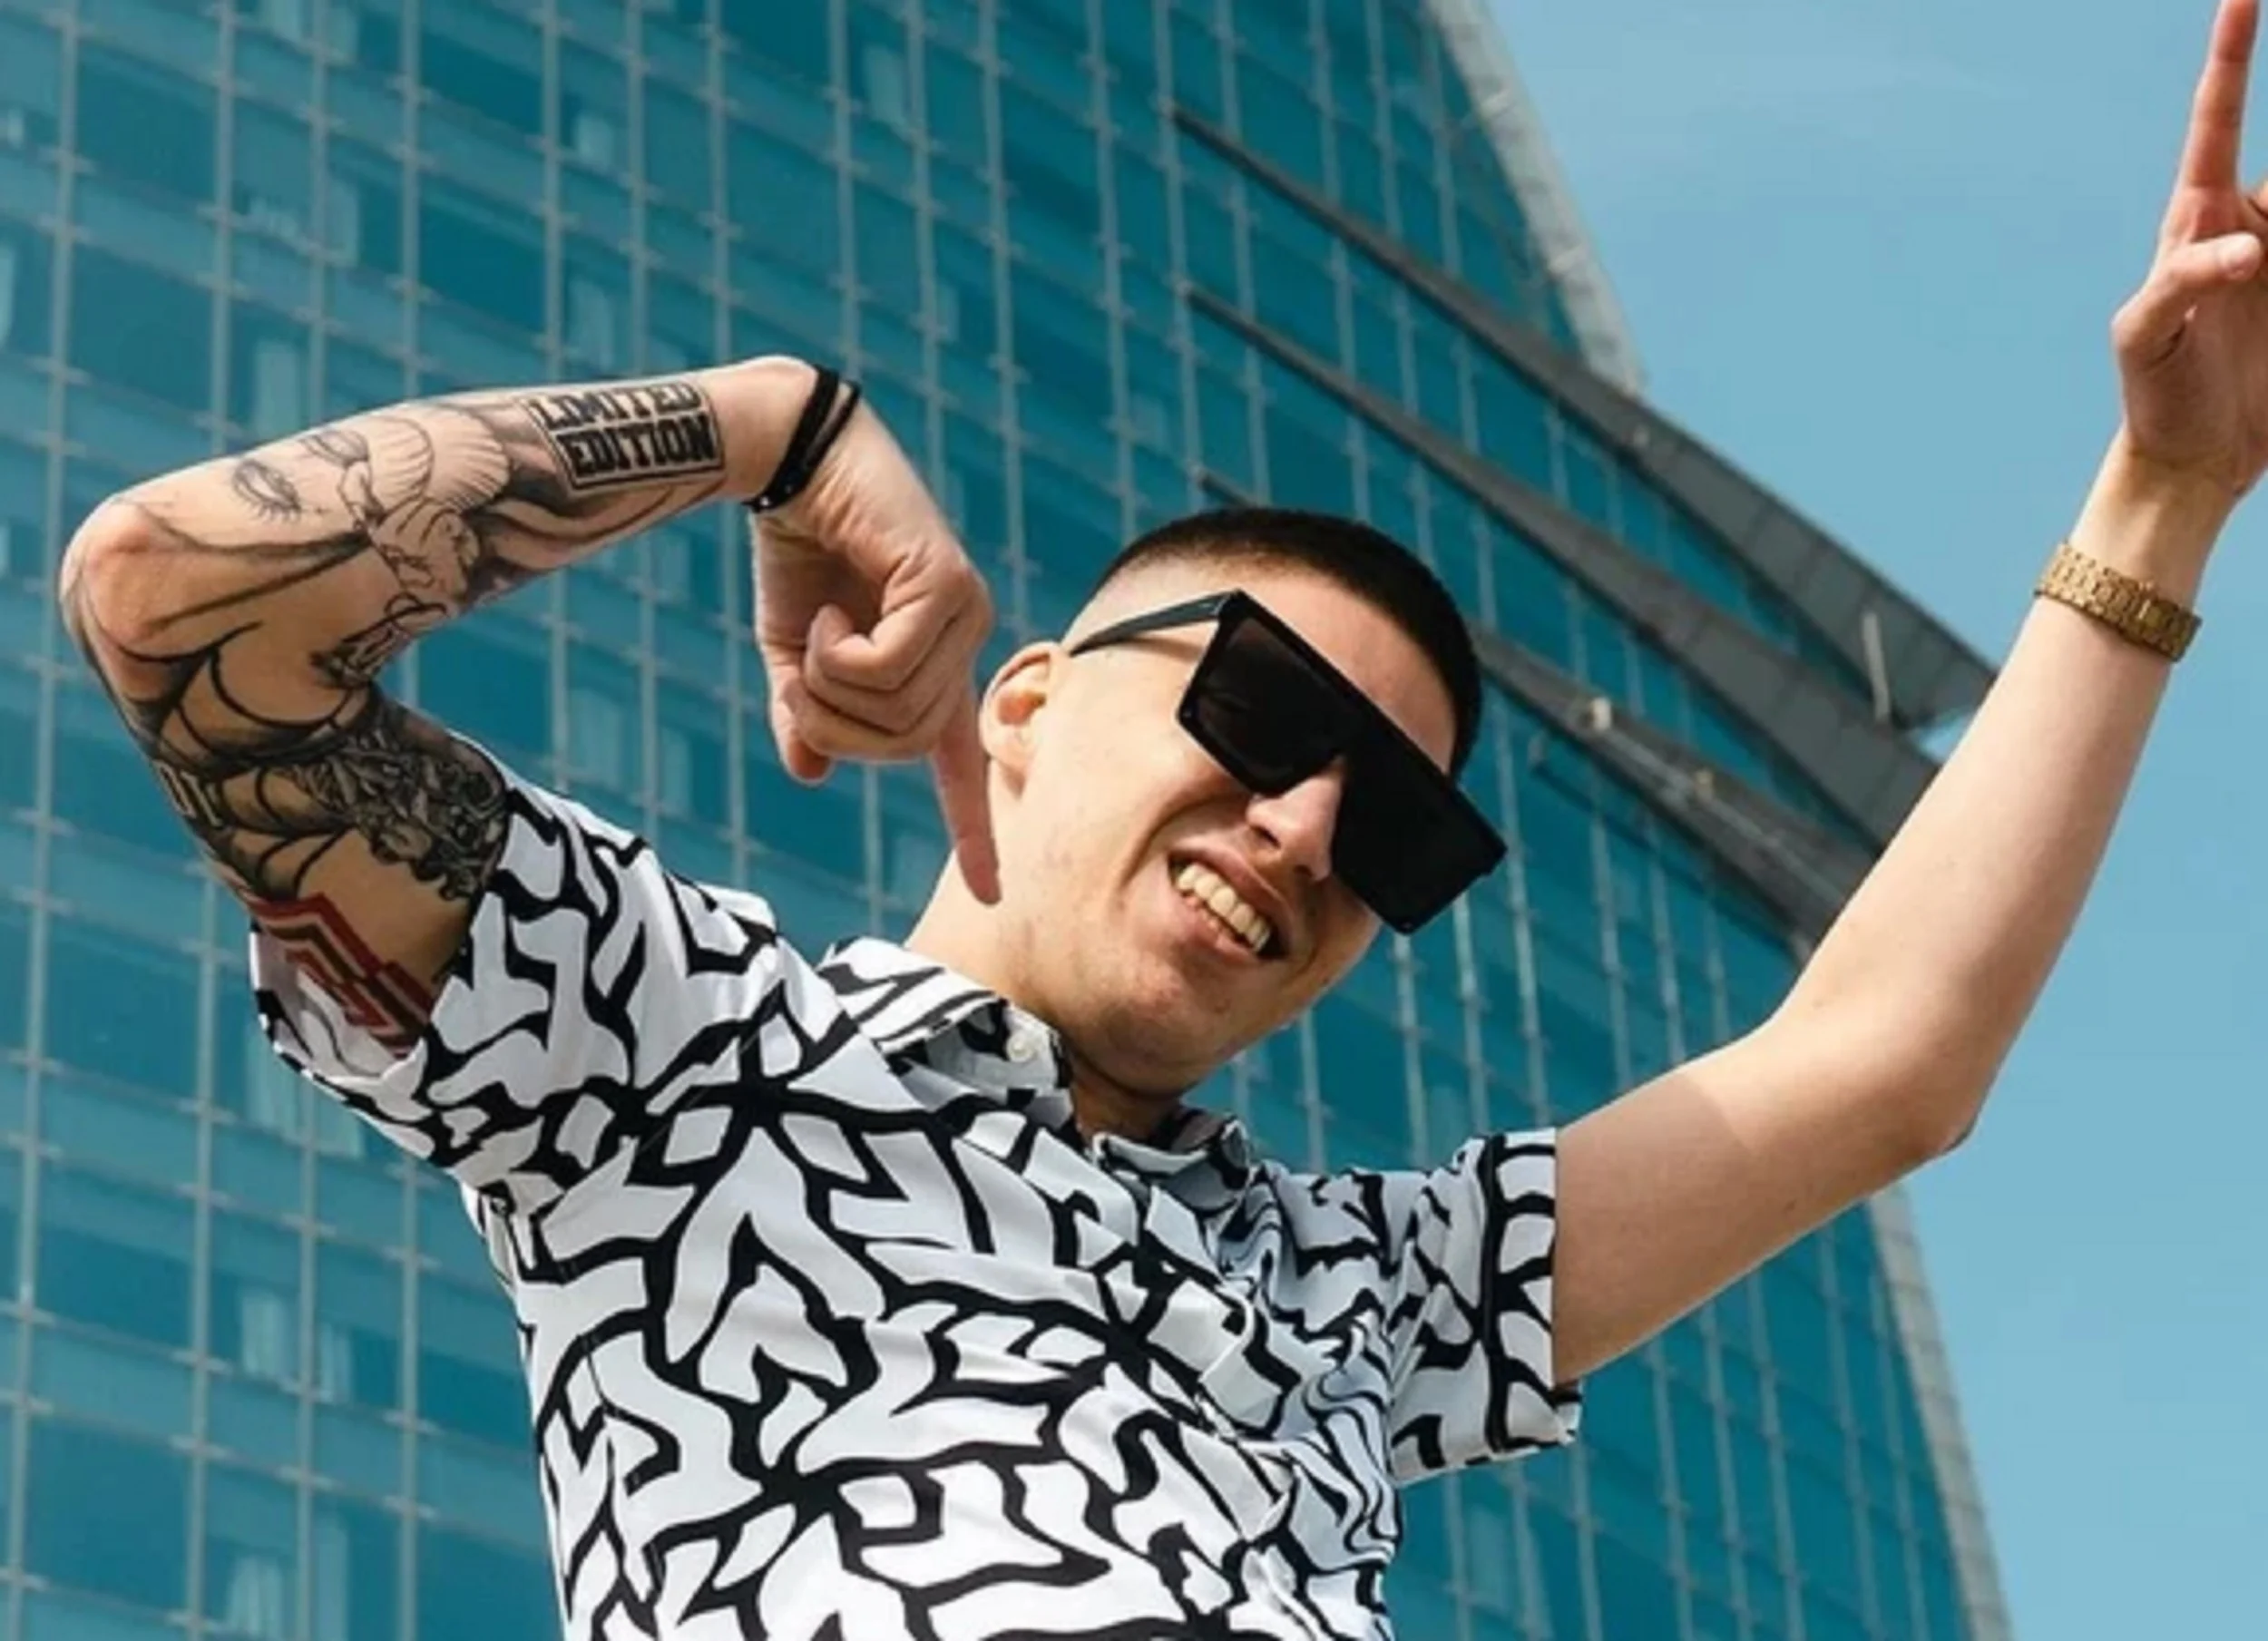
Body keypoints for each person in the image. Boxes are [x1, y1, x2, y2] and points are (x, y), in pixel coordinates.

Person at [51, 1, 2268, 1634]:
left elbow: (1883, 1062)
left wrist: (2162, 496)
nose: (1302, 829)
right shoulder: (677, 1043)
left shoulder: (1349, 1291)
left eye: (1394, 834)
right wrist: (770, 429)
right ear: (1024, 704)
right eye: (1259, 709)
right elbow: (173, 599)